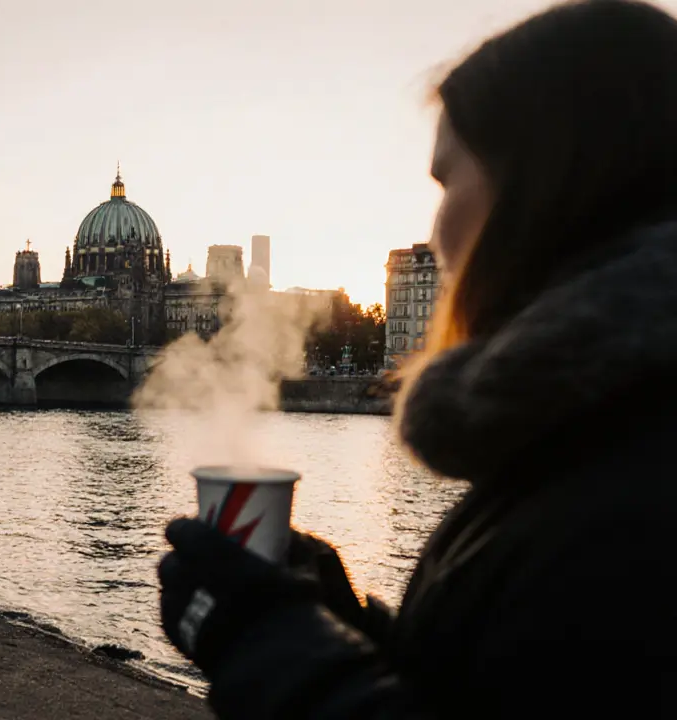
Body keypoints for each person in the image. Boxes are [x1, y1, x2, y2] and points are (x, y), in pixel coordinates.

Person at [157, 1, 677, 716]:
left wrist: (267, 641)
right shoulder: (602, 428)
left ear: (547, 185)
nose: (438, 229)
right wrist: (327, 608)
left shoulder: (633, 474)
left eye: (445, 182)